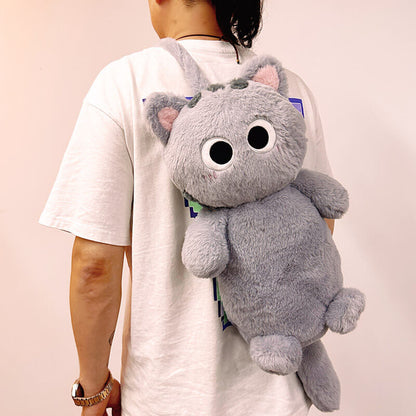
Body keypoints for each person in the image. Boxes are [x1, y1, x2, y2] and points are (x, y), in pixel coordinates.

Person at [39, 0, 335, 415]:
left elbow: (94, 266)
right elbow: (319, 227)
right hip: (278, 388)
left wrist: (94, 388)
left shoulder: (124, 84)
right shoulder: (288, 88)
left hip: (169, 395)